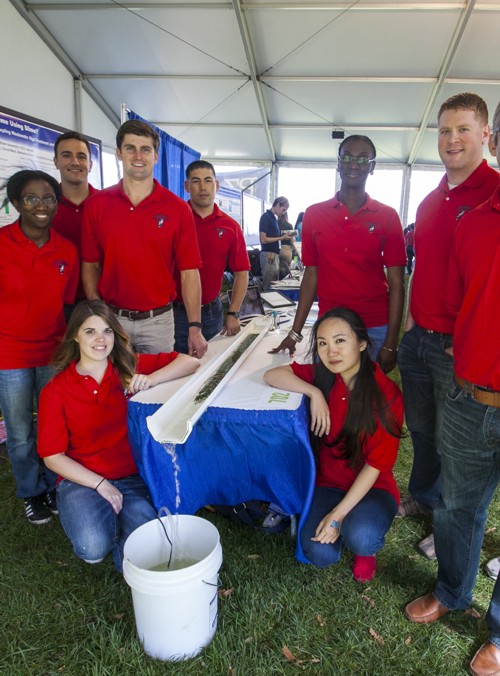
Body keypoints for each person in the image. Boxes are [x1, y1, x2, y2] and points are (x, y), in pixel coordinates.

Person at [404, 101, 500, 676]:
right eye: (445, 130)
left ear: (484, 136)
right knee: (461, 502)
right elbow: (459, 293)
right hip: (474, 389)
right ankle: (454, 590)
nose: (453, 139)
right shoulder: (475, 217)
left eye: (465, 129)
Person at [37, 300, 199, 570]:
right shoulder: (56, 390)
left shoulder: (128, 367)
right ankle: (109, 525)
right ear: (75, 335)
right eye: (90, 331)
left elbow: (190, 361)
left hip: (130, 475)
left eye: (107, 331)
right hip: (82, 480)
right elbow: (53, 457)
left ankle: (126, 533)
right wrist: (100, 484)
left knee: (149, 550)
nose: (100, 339)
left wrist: (153, 378)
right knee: (92, 548)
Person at [264, 307, 403, 582]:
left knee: (361, 536)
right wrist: (313, 392)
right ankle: (341, 529)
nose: (331, 352)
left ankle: (363, 547)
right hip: (328, 483)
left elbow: (375, 466)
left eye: (340, 341)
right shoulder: (325, 377)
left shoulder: (386, 395)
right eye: (323, 343)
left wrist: (337, 516)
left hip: (372, 487)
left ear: (362, 344)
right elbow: (273, 375)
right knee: (318, 552)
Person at [271, 135, 406, 374]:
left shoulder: (387, 216)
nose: (354, 164)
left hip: (374, 327)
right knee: (329, 401)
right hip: (330, 327)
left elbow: (397, 284)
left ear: (372, 166)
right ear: (338, 163)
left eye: (363, 159)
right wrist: (295, 333)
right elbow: (311, 277)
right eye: (347, 157)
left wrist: (391, 343)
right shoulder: (314, 214)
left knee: (367, 403)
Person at [81, 119, 206, 357]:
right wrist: (98, 315)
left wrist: (194, 327)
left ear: (156, 156)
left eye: (145, 149)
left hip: (158, 322)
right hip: (112, 318)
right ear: (119, 153)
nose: (138, 156)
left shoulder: (178, 209)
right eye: (130, 148)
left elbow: (189, 272)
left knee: (157, 391)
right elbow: (90, 265)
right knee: (113, 388)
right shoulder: (96, 205)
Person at [0, 170, 79, 524]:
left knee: (53, 426)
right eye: (31, 199)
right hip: (10, 355)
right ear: (16, 203)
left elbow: (66, 304)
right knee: (19, 432)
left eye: (48, 199)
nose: (41, 206)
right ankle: (32, 493)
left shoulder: (66, 250)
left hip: (52, 353)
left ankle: (55, 485)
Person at [174, 160, 250, 353]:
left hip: (211, 313)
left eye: (208, 180)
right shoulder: (175, 220)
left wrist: (233, 312)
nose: (202, 187)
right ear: (186, 186)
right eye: (196, 181)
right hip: (175, 314)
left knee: (211, 369)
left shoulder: (230, 227)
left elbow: (242, 272)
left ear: (216, 185)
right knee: (176, 373)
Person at [51, 131, 98, 306]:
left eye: (81, 156)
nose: (75, 162)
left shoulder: (107, 204)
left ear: (91, 164)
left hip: (102, 303)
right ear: (56, 162)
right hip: (57, 305)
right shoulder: (43, 207)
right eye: (66, 155)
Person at [259, 196, 290, 291]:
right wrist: (281, 238)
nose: (283, 212)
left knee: (273, 285)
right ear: (277, 205)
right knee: (268, 287)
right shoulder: (266, 217)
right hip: (269, 256)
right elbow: (263, 239)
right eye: (283, 209)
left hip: (274, 256)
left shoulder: (274, 219)